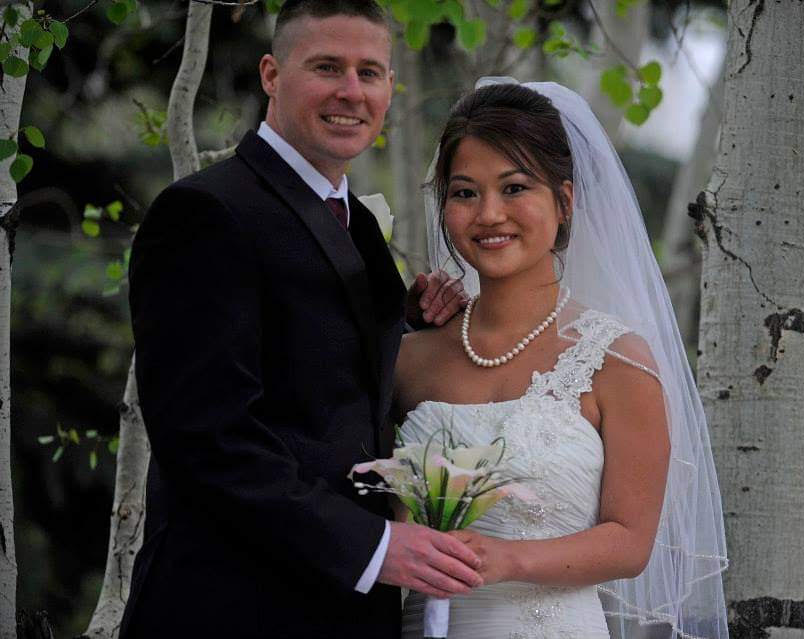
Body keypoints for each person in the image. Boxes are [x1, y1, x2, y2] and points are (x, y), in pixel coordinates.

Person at [119, 1, 483, 637]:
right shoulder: (204, 214)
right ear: (270, 74)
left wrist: (415, 324)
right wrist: (373, 546)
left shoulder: (358, 222)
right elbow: (208, 436)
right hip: (229, 606)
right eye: (326, 67)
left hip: (345, 609)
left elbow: (331, 375)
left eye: (370, 72)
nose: (351, 92)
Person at [392, 81, 729, 638]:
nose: (489, 214)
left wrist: (508, 559)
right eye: (465, 193)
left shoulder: (617, 360)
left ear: (565, 201)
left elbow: (629, 541)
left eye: (515, 187)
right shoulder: (409, 359)